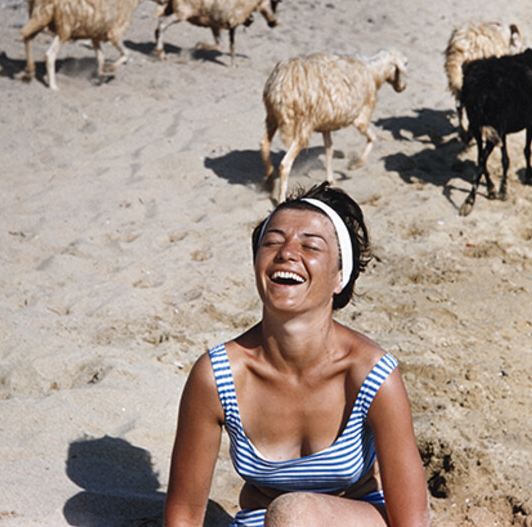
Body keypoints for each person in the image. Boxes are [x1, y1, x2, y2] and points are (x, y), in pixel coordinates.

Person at [165, 182, 431, 527]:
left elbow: (412, 519)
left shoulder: (370, 375)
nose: (287, 253)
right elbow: (184, 515)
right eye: (272, 241)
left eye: (310, 245)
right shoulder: (217, 376)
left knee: (293, 515)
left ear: (340, 277)